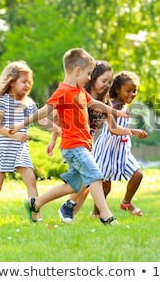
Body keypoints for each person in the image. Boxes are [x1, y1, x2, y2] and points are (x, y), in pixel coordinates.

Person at [11, 48, 127, 225]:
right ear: (77, 71)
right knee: (95, 175)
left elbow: (94, 103)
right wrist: (20, 124)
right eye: (88, 74)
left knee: (75, 186)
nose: (89, 78)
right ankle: (106, 215)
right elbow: (43, 112)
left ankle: (36, 203)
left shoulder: (80, 91)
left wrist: (114, 112)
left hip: (83, 145)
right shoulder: (63, 92)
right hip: (73, 146)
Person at [0, 60, 55, 224]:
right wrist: (15, 135)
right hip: (3, 148)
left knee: (31, 180)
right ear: (12, 82)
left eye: (29, 82)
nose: (27, 85)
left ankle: (36, 217)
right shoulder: (3, 101)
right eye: (23, 82)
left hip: (20, 150)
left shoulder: (29, 103)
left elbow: (41, 120)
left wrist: (58, 129)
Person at [48, 60, 120, 222]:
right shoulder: (77, 96)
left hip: (87, 145)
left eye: (110, 82)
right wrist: (53, 140)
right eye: (104, 81)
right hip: (73, 144)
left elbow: (113, 127)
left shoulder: (104, 102)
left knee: (85, 185)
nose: (107, 85)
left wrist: (129, 131)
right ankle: (98, 215)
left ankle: (67, 214)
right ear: (92, 79)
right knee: (90, 179)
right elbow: (59, 118)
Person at [92, 71, 147, 217]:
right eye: (128, 91)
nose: (132, 94)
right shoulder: (113, 106)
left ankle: (126, 203)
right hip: (107, 150)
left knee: (138, 174)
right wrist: (133, 131)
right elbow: (113, 130)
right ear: (117, 90)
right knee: (105, 188)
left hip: (122, 150)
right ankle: (96, 213)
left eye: (135, 90)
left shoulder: (124, 106)